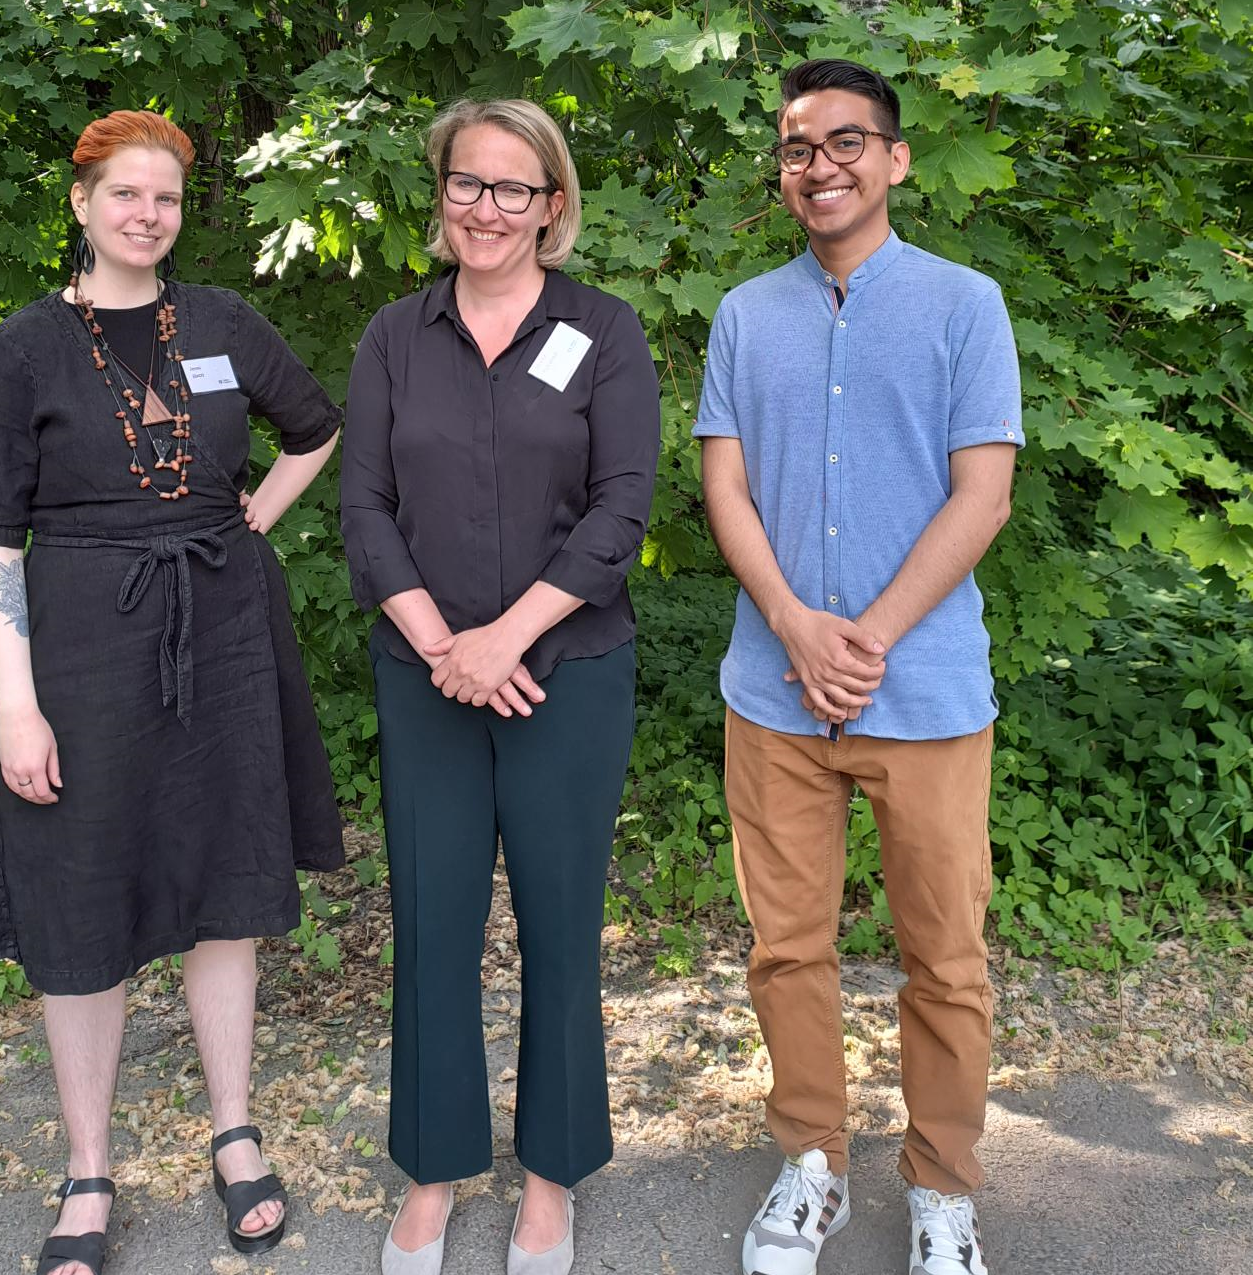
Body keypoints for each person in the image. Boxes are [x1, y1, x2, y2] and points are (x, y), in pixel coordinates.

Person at [0, 110, 345, 1275]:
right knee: (84, 900)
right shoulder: (24, 349)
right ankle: (88, 1167)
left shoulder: (219, 321)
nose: (146, 215)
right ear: (81, 203)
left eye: (165, 198)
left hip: (221, 629)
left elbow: (313, 428)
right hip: (77, 647)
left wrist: (253, 517)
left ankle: (234, 1132)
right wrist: (18, 705)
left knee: (226, 884)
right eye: (124, 195)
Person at [695, 59, 1021, 1275]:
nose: (819, 164)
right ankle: (812, 1165)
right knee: (786, 948)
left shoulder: (963, 305)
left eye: (845, 142)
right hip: (771, 690)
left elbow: (980, 495)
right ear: (780, 171)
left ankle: (942, 1188)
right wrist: (790, 622)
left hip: (925, 695)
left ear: (891, 157)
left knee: (944, 958)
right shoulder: (744, 314)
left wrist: (864, 634)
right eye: (795, 148)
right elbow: (722, 484)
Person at [340, 98, 660, 1275]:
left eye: (512, 189)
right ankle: (430, 1174)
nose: (485, 208)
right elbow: (364, 509)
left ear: (553, 206)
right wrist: (444, 648)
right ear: (442, 199)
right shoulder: (393, 335)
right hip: (424, 676)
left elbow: (622, 510)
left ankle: (549, 1182)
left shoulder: (605, 332)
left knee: (561, 927)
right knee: (430, 923)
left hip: (564, 676)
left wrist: (504, 642)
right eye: (466, 184)